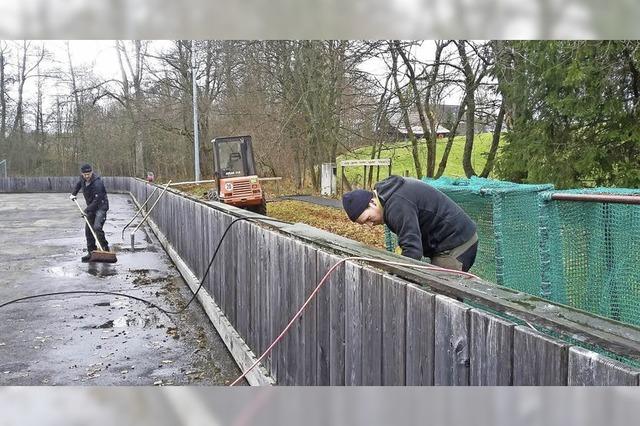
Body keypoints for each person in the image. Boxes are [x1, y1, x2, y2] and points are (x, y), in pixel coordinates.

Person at [342, 175, 478, 272]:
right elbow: (407, 243)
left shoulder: (396, 205)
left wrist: (396, 277)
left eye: (368, 219)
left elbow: (413, 250)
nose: (370, 225)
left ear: (372, 202)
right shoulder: (388, 196)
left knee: (443, 296)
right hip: (446, 242)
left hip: (458, 243)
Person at [69, 163, 110, 262]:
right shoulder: (82, 179)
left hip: (101, 206)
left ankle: (105, 249)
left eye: (89, 174)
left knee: (97, 227)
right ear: (82, 174)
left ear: (92, 172)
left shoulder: (97, 183)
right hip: (91, 207)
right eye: (85, 174)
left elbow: (97, 201)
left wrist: (86, 211)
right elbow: (79, 184)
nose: (87, 176)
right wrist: (73, 194)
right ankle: (91, 252)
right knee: (88, 230)